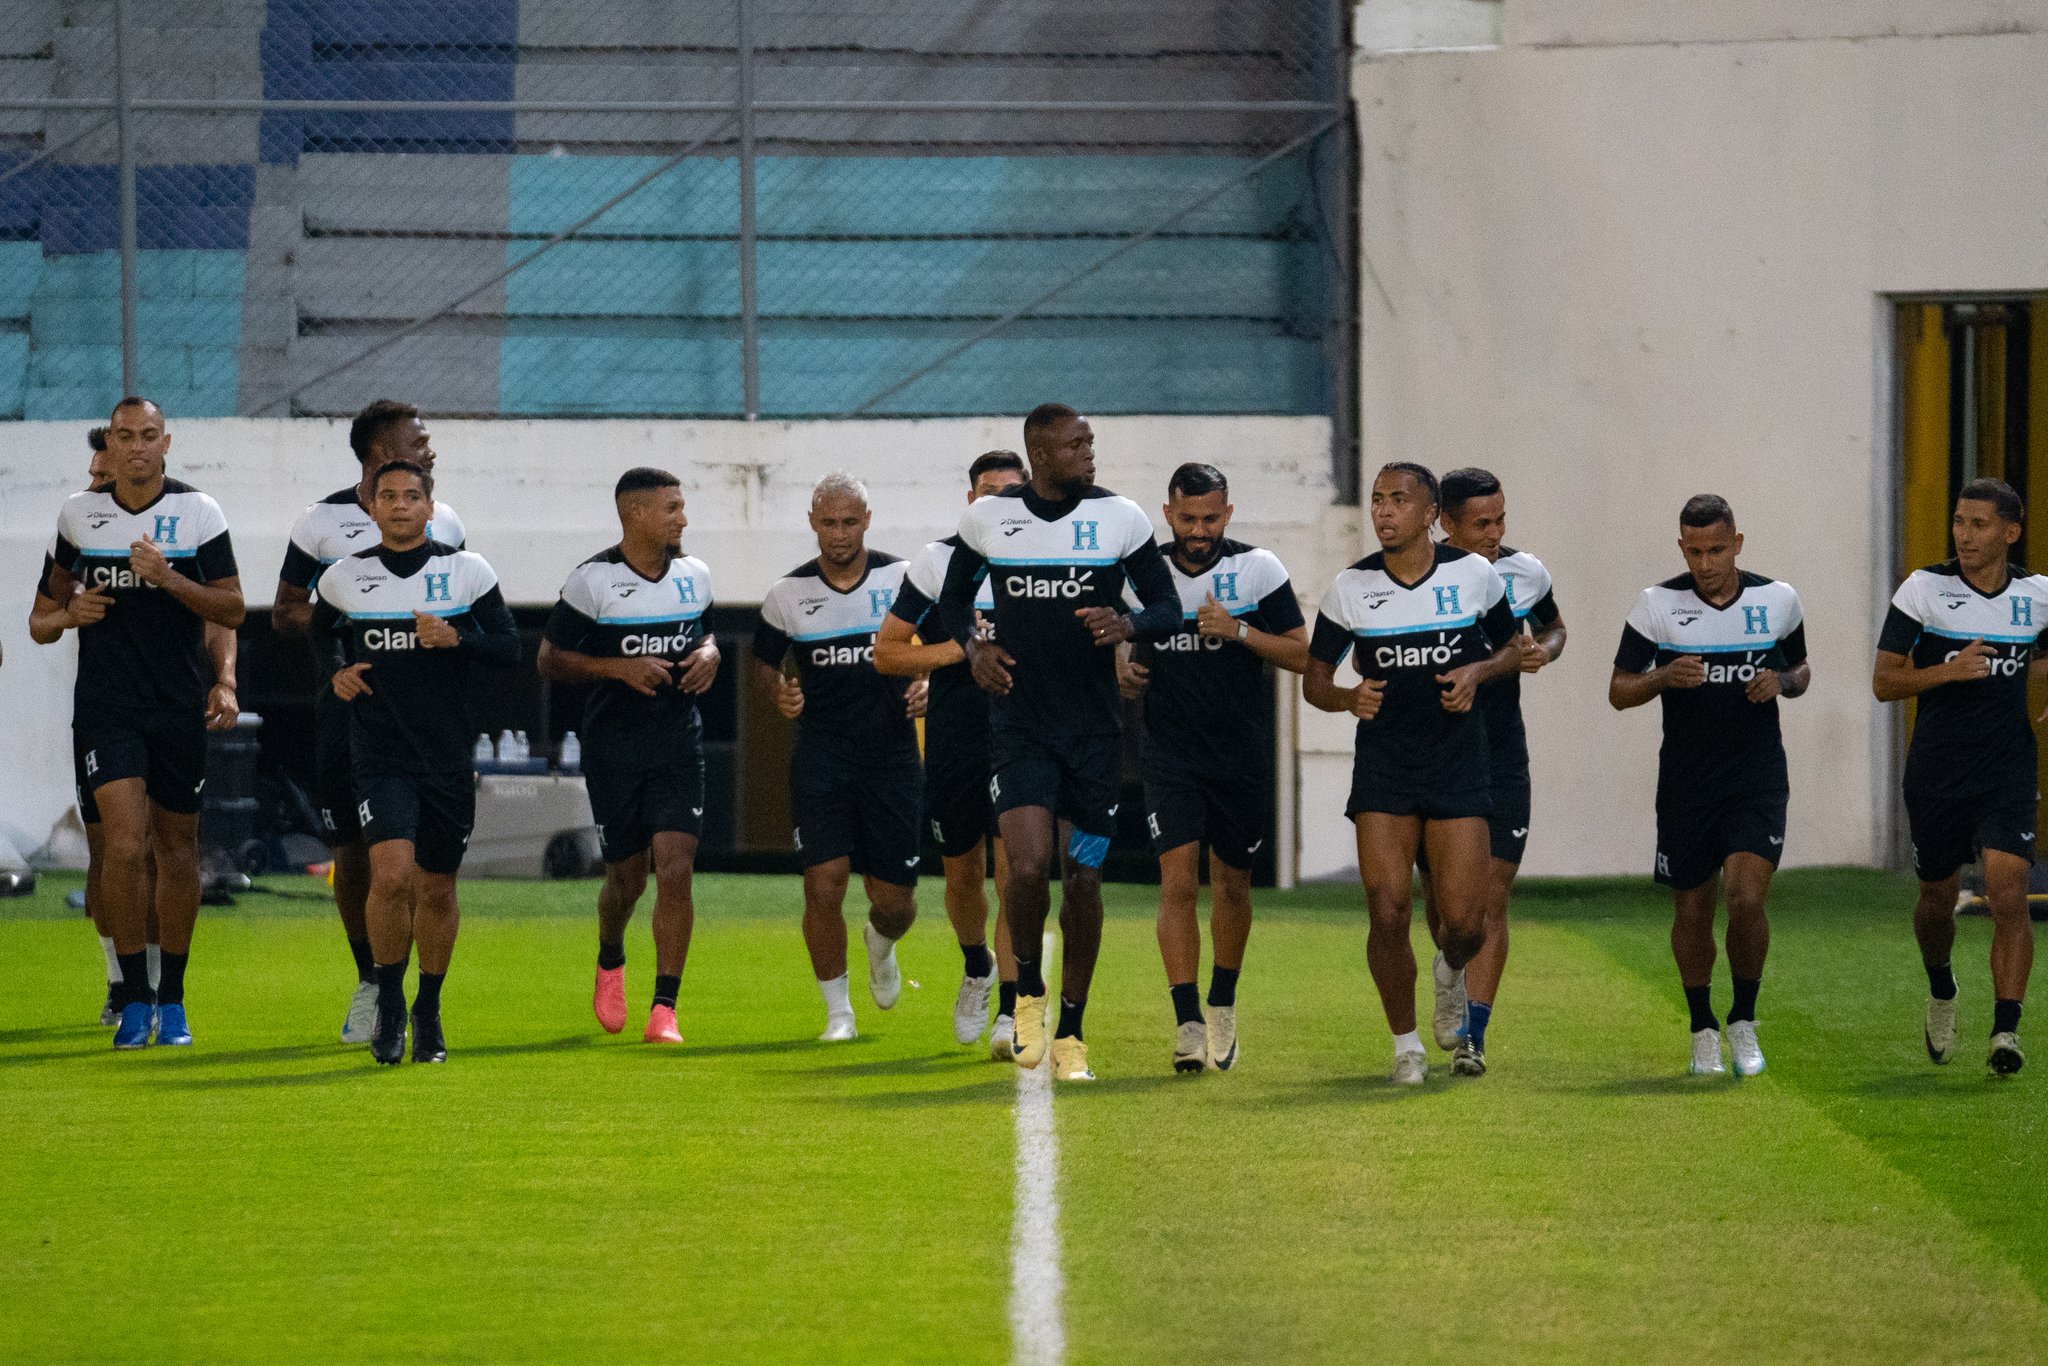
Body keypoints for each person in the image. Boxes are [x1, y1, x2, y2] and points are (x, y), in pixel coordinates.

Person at [938, 404, 1181, 1081]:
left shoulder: (1121, 518)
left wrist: (1126, 623)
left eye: (1090, 441)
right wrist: (973, 646)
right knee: (1024, 865)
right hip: (1018, 728)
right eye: (1076, 444)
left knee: (1084, 877)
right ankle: (1026, 999)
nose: (1089, 452)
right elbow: (952, 602)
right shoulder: (990, 520)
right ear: (1040, 453)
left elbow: (1168, 607)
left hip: (1096, 737)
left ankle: (1072, 1030)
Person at [35, 397, 245, 1050]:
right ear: (113, 446)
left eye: (147, 435)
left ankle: (172, 998)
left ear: (166, 442)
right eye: (124, 436)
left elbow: (234, 608)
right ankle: (129, 996)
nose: (135, 447)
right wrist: (71, 613)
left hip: (175, 705)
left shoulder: (198, 513)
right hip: (107, 709)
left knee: (175, 849)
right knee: (124, 846)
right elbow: (40, 622)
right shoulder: (78, 515)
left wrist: (169, 578)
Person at [1303, 462, 1519, 1085]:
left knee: (1462, 924)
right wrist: (1348, 698)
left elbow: (1512, 649)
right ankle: (1406, 1047)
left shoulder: (1473, 576)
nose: (1383, 511)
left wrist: (1477, 673)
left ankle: (1449, 973)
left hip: (1458, 766)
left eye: (1398, 500)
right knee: (1388, 908)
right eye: (1376, 500)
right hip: (1386, 770)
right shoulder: (1351, 588)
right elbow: (1317, 680)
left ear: (1430, 515)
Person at [311, 460, 518, 1065]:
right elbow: (318, 632)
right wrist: (336, 673)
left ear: (431, 508)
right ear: (371, 509)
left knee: (436, 886)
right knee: (392, 876)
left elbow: (509, 647)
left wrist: (458, 637)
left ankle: (429, 1008)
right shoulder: (345, 577)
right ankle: (391, 1003)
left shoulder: (467, 572)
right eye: (388, 497)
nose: (400, 506)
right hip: (380, 755)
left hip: (447, 757)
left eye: (412, 496)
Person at [276, 399, 467, 1046]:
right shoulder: (319, 523)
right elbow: (284, 612)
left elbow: (462, 609)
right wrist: (362, 618)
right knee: (353, 857)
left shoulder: (445, 520)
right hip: (348, 713)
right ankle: (372, 983)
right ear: (383, 450)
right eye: (421, 436)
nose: (430, 445)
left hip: (425, 720)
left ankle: (414, 998)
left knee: (415, 870)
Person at [1116, 463, 1306, 1074]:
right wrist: (1120, 660)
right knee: (1176, 884)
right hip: (1168, 754)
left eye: (1211, 518)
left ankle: (1223, 1001)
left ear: (1228, 513)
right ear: (1167, 514)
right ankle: (1188, 1021)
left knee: (1233, 884)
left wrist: (1241, 630)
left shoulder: (1258, 569)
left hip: (1240, 756)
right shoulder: (1141, 574)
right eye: (1188, 518)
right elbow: (1107, 638)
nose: (1199, 530)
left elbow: (1305, 654)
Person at [1610, 494, 1808, 1078]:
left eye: (1717, 549)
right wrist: (1663, 677)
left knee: (1746, 899)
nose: (1706, 562)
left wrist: (1782, 682)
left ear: (1738, 544)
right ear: (1681, 548)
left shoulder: (1778, 600)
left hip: (1756, 776)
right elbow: (1619, 689)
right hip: (1687, 783)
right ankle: (1702, 1027)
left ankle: (1743, 1018)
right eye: (1694, 551)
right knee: (1693, 910)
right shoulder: (1657, 605)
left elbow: (1801, 670)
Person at [538, 468, 719, 1044]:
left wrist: (711, 653)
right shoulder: (592, 581)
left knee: (676, 866)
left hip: (678, 743)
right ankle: (611, 957)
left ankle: (664, 1009)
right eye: (672, 508)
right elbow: (550, 659)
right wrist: (616, 667)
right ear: (635, 514)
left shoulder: (695, 575)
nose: (682, 519)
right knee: (627, 877)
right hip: (614, 747)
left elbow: (705, 635)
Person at [1873, 477, 2045, 1077]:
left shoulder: (2038, 594)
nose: (1964, 535)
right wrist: (1947, 672)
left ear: (2010, 532)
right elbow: (1884, 682)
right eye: (1958, 522)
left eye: (1978, 525)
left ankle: (2006, 1030)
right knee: (1936, 899)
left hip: (2007, 772)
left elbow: (2039, 655)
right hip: (1937, 774)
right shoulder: (1924, 589)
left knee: (2007, 891)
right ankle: (1942, 988)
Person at [752, 473, 926, 1042]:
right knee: (823, 883)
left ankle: (882, 944)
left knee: (896, 905)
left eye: (850, 522)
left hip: (894, 760)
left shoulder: (904, 578)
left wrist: (929, 682)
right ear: (812, 522)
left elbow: (949, 645)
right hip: (823, 759)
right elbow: (764, 662)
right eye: (828, 522)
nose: (839, 534)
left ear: (868, 521)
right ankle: (839, 1014)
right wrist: (778, 689)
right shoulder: (787, 593)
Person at [875, 449, 1027, 1057]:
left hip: (1022, 737)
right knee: (963, 872)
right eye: (988, 492)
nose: (998, 502)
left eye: (1011, 492)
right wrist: (956, 654)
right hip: (955, 737)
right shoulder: (937, 562)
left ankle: (1013, 1012)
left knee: (1017, 870)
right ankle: (977, 967)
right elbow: (887, 652)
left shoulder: (1043, 559)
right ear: (970, 500)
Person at [1418, 467, 1566, 1076]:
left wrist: (1541, 651)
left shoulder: (1524, 572)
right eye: (1481, 524)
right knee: (1450, 911)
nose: (1495, 534)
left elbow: (1555, 629)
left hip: (1502, 754)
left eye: (1501, 519)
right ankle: (1450, 965)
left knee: (1492, 900)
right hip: (1432, 757)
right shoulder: (1414, 575)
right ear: (1444, 523)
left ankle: (1474, 1037)